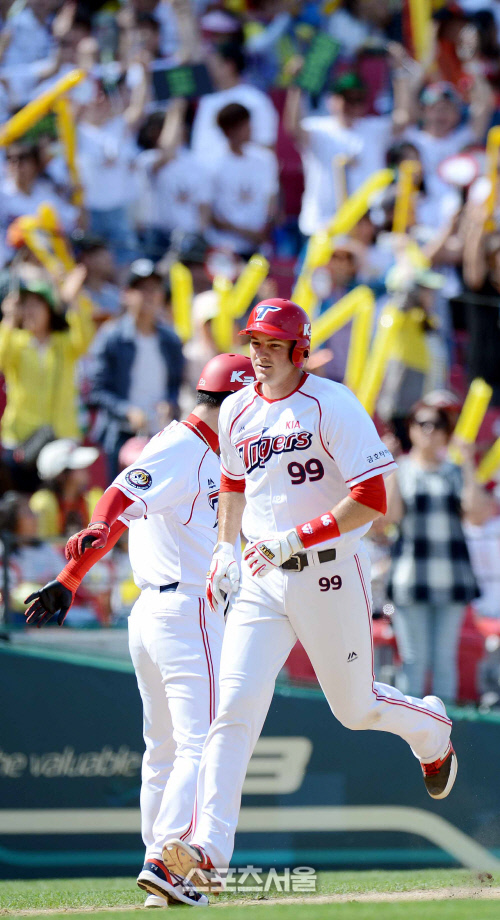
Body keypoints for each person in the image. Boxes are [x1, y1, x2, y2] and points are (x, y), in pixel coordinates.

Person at [161, 298, 458, 891]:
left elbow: (372, 499)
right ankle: (207, 852)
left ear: (299, 350)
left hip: (326, 571)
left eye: (272, 345)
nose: (259, 354)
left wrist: (292, 538)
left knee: (354, 710)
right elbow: (232, 483)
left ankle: (431, 728)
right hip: (261, 577)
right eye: (253, 343)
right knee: (232, 711)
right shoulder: (239, 409)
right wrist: (224, 548)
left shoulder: (333, 404)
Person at [24, 352, 256, 909]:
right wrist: (69, 576)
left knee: (165, 750)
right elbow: (117, 501)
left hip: (155, 614)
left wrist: (70, 577)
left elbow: (118, 505)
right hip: (185, 612)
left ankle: (160, 875)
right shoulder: (186, 446)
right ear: (229, 406)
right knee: (202, 744)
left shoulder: (191, 445)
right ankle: (169, 860)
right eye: (246, 408)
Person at [385, 402, 480, 703]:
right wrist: (387, 466)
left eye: (437, 425)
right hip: (410, 579)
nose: (429, 431)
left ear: (446, 433)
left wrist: (468, 464)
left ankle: (446, 741)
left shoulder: (454, 472)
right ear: (411, 428)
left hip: (452, 580)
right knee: (413, 660)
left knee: (443, 662)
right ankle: (407, 736)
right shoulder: (401, 470)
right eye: (422, 423)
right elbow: (389, 516)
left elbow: (476, 514)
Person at [87, 259, 184, 478]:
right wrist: (127, 411)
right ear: (126, 294)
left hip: (160, 436)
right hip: (120, 438)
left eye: (155, 289)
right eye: (142, 289)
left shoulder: (171, 340)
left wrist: (170, 403)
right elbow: (96, 390)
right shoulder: (111, 337)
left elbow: (176, 384)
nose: (150, 295)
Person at [0, 278, 95, 490]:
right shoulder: (14, 340)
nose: (29, 311)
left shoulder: (63, 343)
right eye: (25, 305)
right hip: (22, 439)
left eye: (36, 305)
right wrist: (8, 318)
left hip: (61, 437)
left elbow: (84, 339)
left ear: (49, 309)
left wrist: (73, 302)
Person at [206, 103, 279, 258]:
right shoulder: (212, 163)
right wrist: (247, 233)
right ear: (230, 130)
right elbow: (209, 214)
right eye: (245, 125)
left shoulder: (265, 158)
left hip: (259, 249)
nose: (250, 128)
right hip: (224, 249)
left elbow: (272, 198)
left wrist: (265, 229)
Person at [191, 41, 279, 164]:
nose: (209, 69)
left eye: (214, 64)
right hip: (206, 176)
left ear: (229, 65)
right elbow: (199, 146)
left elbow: (266, 147)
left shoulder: (256, 100)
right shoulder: (207, 101)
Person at [30, 439, 101, 540]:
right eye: (78, 466)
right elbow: (44, 545)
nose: (86, 467)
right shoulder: (43, 502)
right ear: (62, 475)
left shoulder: (93, 498)